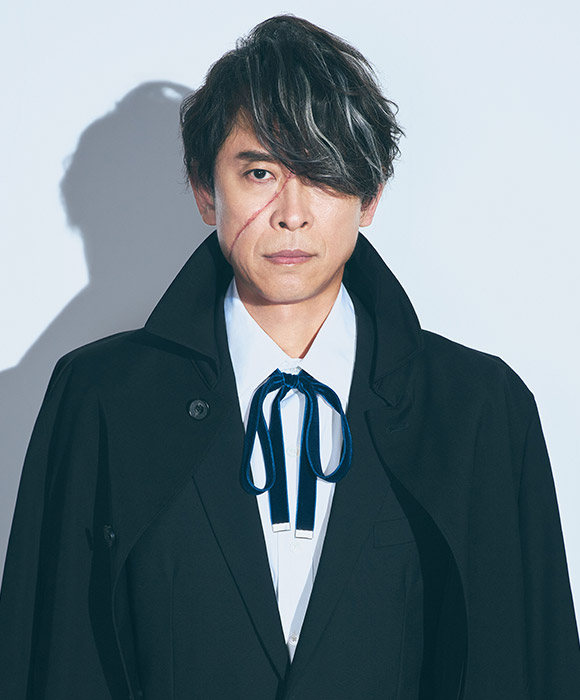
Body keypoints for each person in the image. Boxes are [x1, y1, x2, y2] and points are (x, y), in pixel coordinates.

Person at [0, 14, 578, 700]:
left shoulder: (481, 408)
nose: (292, 212)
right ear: (205, 190)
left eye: (324, 174)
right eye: (260, 172)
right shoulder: (100, 398)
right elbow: (52, 656)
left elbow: (528, 663)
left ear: (370, 197)